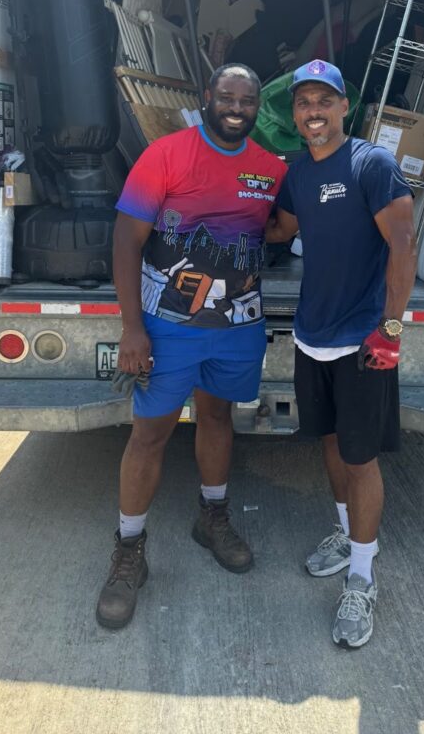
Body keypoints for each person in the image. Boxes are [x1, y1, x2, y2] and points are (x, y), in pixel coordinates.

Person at [96, 63, 287, 630]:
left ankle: (213, 517)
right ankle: (129, 549)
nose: (236, 108)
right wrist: (133, 328)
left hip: (237, 328)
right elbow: (126, 241)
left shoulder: (271, 168)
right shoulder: (166, 155)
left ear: (257, 106)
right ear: (208, 97)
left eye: (246, 100)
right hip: (168, 327)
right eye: (226, 97)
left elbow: (281, 228)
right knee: (149, 434)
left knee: (218, 418)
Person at [267, 58, 416, 649]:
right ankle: (346, 533)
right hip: (312, 336)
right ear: (295, 113)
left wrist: (391, 329)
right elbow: (280, 229)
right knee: (329, 443)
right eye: (304, 102)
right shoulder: (298, 173)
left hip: (361, 340)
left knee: (361, 459)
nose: (314, 112)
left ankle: (362, 577)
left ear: (344, 107)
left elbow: (403, 245)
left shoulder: (370, 164)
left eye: (324, 101)